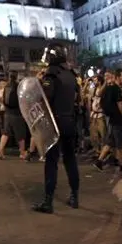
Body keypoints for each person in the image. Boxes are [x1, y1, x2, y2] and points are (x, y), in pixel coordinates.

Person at [32, 42, 81, 213]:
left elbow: (45, 98)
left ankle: (48, 201)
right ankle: (75, 196)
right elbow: (77, 99)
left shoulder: (51, 75)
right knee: (70, 159)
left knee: (51, 162)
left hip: (55, 122)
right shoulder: (71, 75)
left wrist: (38, 85)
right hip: (70, 121)